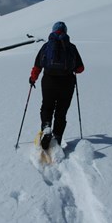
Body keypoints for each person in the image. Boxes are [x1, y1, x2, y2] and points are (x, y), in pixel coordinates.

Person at [29, 21, 84, 150]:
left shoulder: (46, 46)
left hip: (49, 81)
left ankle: (47, 127)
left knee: (47, 107)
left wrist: (33, 78)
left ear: (53, 31)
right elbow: (80, 68)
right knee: (61, 111)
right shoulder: (71, 47)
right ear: (65, 31)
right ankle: (57, 138)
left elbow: (38, 65)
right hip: (67, 83)